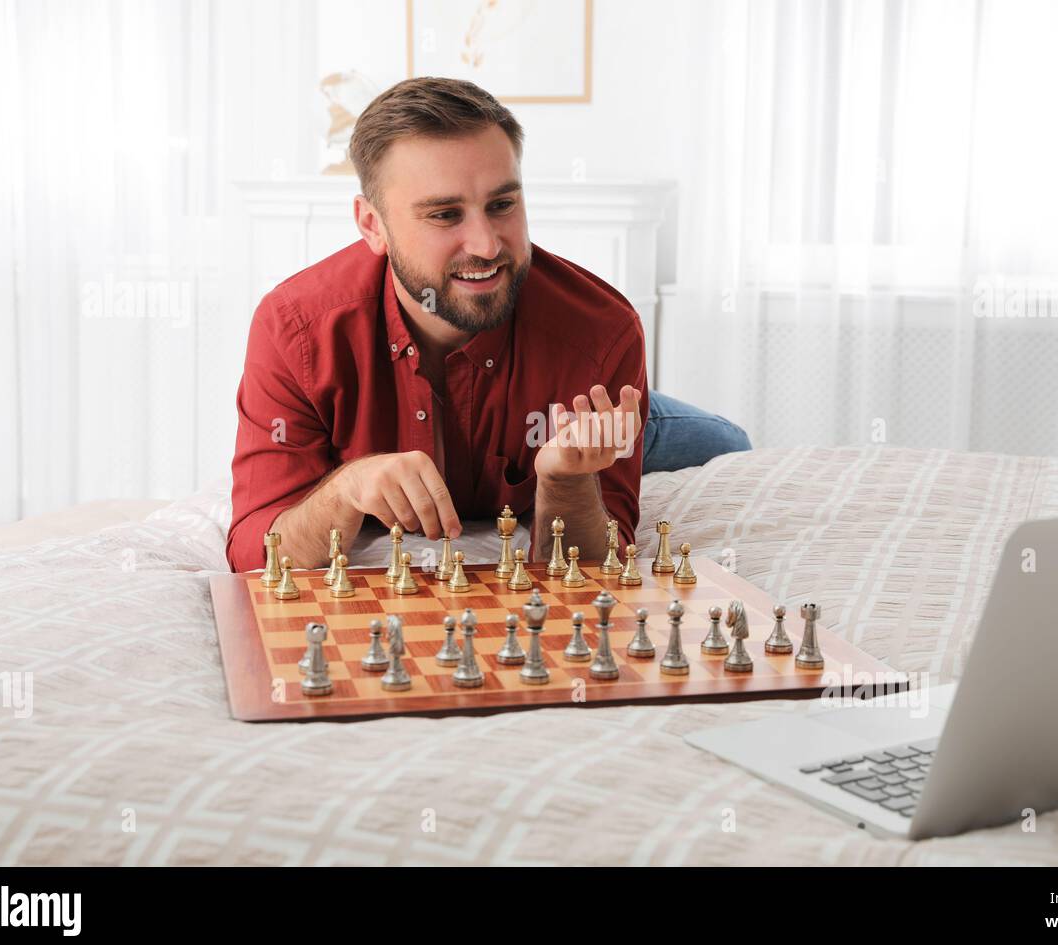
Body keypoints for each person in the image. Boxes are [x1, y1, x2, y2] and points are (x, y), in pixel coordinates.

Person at [225, 77, 749, 573]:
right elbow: (253, 551)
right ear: (372, 224)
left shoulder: (601, 333)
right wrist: (343, 489)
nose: (487, 245)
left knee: (727, 443)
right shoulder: (293, 330)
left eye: (502, 204)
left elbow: (597, 564)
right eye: (445, 215)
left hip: (591, 415)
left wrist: (566, 478)